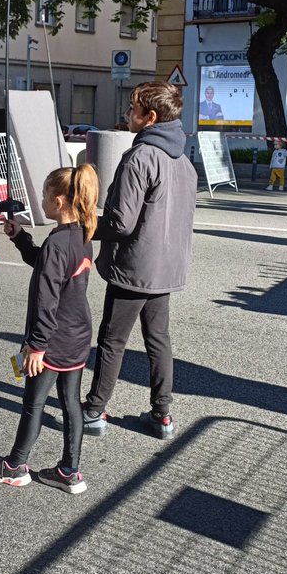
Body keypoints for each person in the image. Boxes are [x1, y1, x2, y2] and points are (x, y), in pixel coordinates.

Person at [81, 82, 198, 441]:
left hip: (134, 267)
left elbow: (120, 222)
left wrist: (84, 225)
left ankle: (94, 409)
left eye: (132, 110)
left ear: (150, 118)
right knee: (158, 340)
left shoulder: (140, 157)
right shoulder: (184, 161)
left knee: (112, 340)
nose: (126, 115)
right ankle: (162, 414)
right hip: (166, 267)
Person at [0, 164, 99, 495]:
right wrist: (20, 237)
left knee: (33, 403)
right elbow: (47, 266)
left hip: (52, 340)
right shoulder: (81, 234)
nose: (43, 201)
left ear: (59, 201)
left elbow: (47, 299)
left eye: (46, 195)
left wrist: (36, 346)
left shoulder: (58, 243)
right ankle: (69, 470)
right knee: (71, 403)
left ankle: (16, 465)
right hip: (77, 336)